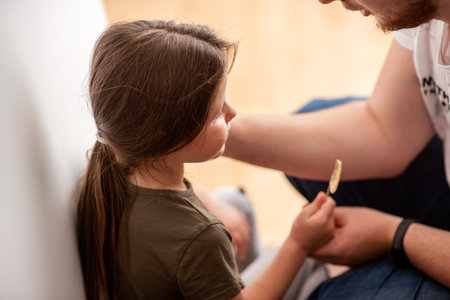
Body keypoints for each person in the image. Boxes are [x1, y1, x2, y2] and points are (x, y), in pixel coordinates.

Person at [76, 20, 336, 300]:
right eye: (217, 113)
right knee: (309, 262)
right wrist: (298, 244)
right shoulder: (201, 237)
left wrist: (206, 200)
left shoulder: (112, 155)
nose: (233, 112)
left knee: (236, 203)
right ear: (170, 133)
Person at [223, 0, 450, 297]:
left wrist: (394, 234)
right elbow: (386, 129)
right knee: (311, 137)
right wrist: (213, 132)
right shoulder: (430, 14)